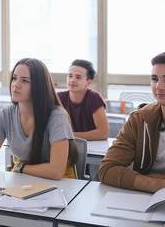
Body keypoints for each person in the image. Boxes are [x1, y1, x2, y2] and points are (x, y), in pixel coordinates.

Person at [0, 58, 78, 227]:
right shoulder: (6, 114)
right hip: (23, 183)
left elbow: (56, 171)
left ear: (39, 87)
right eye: (14, 78)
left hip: (59, 188)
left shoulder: (57, 116)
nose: (15, 85)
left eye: (25, 81)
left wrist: (20, 168)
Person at [99, 52, 165, 193]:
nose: (159, 86)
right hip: (145, 200)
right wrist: (157, 185)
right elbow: (107, 169)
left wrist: (140, 178)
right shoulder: (140, 119)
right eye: (154, 79)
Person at [58, 59, 109, 140]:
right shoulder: (59, 97)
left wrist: (70, 135)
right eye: (70, 76)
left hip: (93, 146)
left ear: (88, 82)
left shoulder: (94, 98)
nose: (72, 80)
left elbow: (103, 133)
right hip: (68, 144)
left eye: (78, 77)